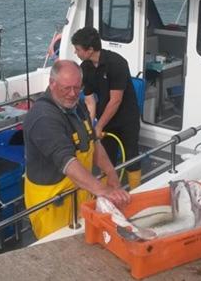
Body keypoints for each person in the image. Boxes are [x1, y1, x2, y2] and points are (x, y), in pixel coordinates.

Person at [23, 60, 130, 240]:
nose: (73, 94)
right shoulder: (43, 117)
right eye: (66, 88)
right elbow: (67, 162)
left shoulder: (77, 106)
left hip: (78, 194)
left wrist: (112, 175)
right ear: (52, 83)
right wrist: (103, 191)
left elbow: (93, 142)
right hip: (52, 204)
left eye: (77, 87)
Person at [71, 26, 142, 189]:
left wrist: (99, 125)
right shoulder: (85, 68)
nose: (76, 53)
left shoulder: (117, 63)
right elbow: (90, 101)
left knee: (131, 156)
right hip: (106, 119)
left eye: (77, 49)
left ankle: (137, 190)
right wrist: (90, 126)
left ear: (89, 50)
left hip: (126, 119)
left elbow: (115, 100)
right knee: (107, 159)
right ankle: (110, 193)